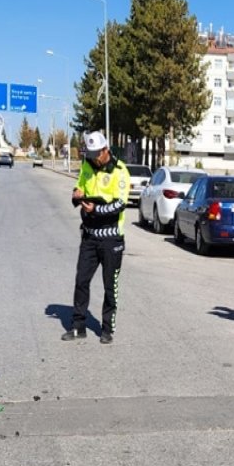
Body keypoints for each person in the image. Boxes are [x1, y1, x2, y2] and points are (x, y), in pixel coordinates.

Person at [63, 131, 131, 344]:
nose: (92, 157)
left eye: (95, 154)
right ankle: (78, 326)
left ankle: (107, 328)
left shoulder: (120, 171)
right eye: (89, 154)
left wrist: (96, 210)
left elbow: (120, 204)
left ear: (105, 150)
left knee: (110, 285)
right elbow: (80, 186)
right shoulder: (87, 166)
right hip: (89, 236)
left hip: (111, 239)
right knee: (81, 281)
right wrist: (76, 193)